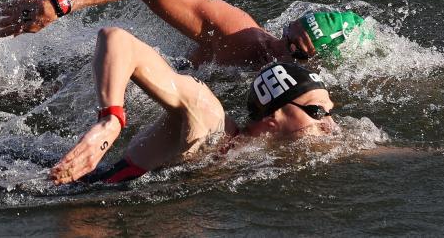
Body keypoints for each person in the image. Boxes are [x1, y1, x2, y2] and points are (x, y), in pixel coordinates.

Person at [49, 26, 338, 185]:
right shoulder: (210, 120)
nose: (330, 124)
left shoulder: (258, 156)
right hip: (62, 188)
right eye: (316, 112)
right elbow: (117, 39)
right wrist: (110, 119)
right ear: (274, 117)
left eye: (330, 112)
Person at [0, 0, 366, 67]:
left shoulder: (309, 103)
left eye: (296, 51)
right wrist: (58, 5)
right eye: (285, 36)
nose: (278, 50)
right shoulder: (241, 38)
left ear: (322, 64)